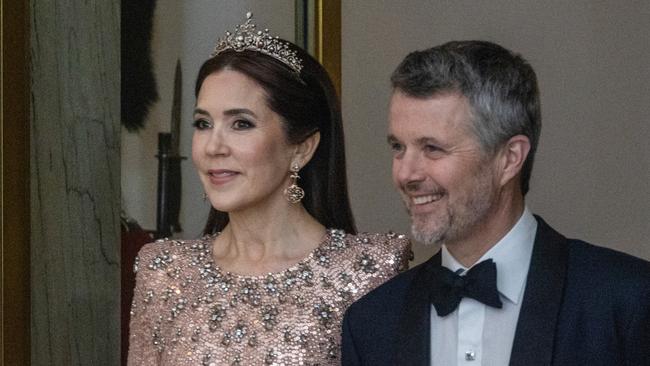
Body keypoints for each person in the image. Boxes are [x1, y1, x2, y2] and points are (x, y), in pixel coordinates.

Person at [341, 40, 650, 366]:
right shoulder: (371, 323)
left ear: (509, 158)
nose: (405, 173)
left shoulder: (627, 302)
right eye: (398, 147)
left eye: (432, 148)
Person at [127, 13, 410, 366]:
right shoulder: (165, 270)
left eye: (241, 124)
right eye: (203, 123)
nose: (213, 146)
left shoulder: (368, 271)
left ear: (302, 148)